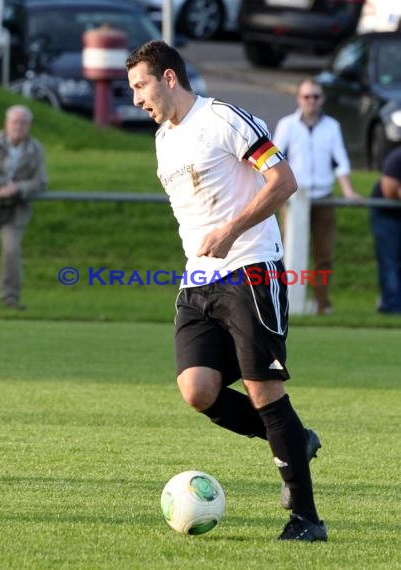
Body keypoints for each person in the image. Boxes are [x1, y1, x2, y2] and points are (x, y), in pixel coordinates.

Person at [126, 40, 327, 542]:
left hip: (250, 268)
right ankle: (296, 441)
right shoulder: (163, 139)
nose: (135, 99)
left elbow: (282, 181)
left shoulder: (223, 118)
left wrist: (232, 230)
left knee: (264, 392)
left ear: (169, 77)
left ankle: (306, 519)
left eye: (140, 86)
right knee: (198, 390)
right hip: (197, 281)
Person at [273, 77, 362, 315]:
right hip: (294, 200)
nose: (311, 101)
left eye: (316, 96)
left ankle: (322, 304)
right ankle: (284, 302)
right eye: (306, 96)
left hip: (323, 197)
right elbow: (274, 160)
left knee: (324, 254)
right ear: (299, 99)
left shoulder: (331, 126)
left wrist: (348, 190)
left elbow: (340, 160)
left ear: (322, 99)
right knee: (287, 252)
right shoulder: (287, 125)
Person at [0, 105, 47, 310]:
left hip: (15, 210)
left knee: (11, 251)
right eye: (15, 122)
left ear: (29, 126)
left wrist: (16, 188)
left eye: (23, 123)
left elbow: (40, 181)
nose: (19, 126)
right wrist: (2, 185)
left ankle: (10, 299)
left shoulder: (35, 149)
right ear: (6, 124)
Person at [370, 145, 401, 314]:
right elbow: (389, 191)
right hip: (387, 213)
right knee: (390, 261)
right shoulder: (397, 158)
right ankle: (392, 307)